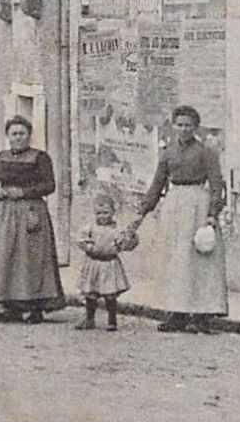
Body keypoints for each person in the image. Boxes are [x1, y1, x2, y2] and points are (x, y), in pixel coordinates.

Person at [125, 104, 228, 333]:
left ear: (196, 127)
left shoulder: (206, 152)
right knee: (175, 260)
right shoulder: (168, 153)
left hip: (198, 206)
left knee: (200, 261)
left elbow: (217, 185)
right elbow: (157, 185)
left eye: (188, 126)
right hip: (174, 205)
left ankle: (202, 315)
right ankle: (177, 313)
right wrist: (142, 213)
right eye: (179, 125)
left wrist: (212, 215)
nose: (183, 130)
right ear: (173, 126)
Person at [0, 114, 66, 323]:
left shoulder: (40, 157)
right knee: (5, 258)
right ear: (8, 136)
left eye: (22, 134)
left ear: (29, 136)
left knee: (31, 260)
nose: (18, 138)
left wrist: (24, 192)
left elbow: (49, 185)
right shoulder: (1, 157)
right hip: (5, 213)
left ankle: (35, 307)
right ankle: (10, 307)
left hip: (31, 214)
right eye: (14, 134)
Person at [74, 194, 132, 332]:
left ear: (113, 212)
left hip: (109, 264)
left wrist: (125, 242)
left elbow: (127, 243)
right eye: (98, 213)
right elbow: (80, 239)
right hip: (93, 263)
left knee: (110, 294)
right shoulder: (90, 227)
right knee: (90, 293)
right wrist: (88, 247)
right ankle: (89, 319)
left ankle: (112, 320)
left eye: (106, 213)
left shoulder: (117, 229)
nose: (102, 216)